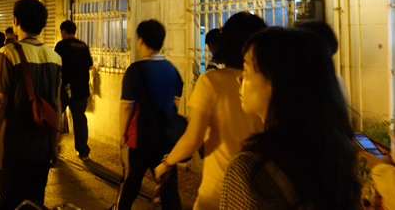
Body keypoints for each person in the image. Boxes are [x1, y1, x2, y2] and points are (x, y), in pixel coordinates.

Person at [220, 27, 361, 209]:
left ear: (277, 80)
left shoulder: (249, 170)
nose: (239, 78)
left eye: (246, 68)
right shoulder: (334, 159)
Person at [155, 12, 265, 210]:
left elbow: (193, 140)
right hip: (258, 193)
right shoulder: (269, 84)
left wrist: (166, 163)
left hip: (219, 191)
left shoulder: (211, 81)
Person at [0, 0, 62, 210]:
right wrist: (54, 147)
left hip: (10, 152)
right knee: (32, 205)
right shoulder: (54, 57)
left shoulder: (8, 53)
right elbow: (56, 105)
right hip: (40, 151)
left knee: (1, 204)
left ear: (15, 21)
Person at [112, 20, 183, 210]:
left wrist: (122, 134)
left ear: (141, 40)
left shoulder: (135, 70)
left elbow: (126, 107)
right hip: (165, 140)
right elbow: (175, 105)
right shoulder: (173, 70)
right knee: (169, 191)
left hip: (139, 139)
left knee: (130, 184)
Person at [54, 20, 93, 161]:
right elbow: (90, 66)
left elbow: (55, 65)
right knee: (80, 119)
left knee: (55, 116)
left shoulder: (61, 45)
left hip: (66, 88)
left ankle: (53, 148)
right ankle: (83, 152)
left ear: (63, 31)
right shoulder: (83, 46)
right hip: (82, 89)